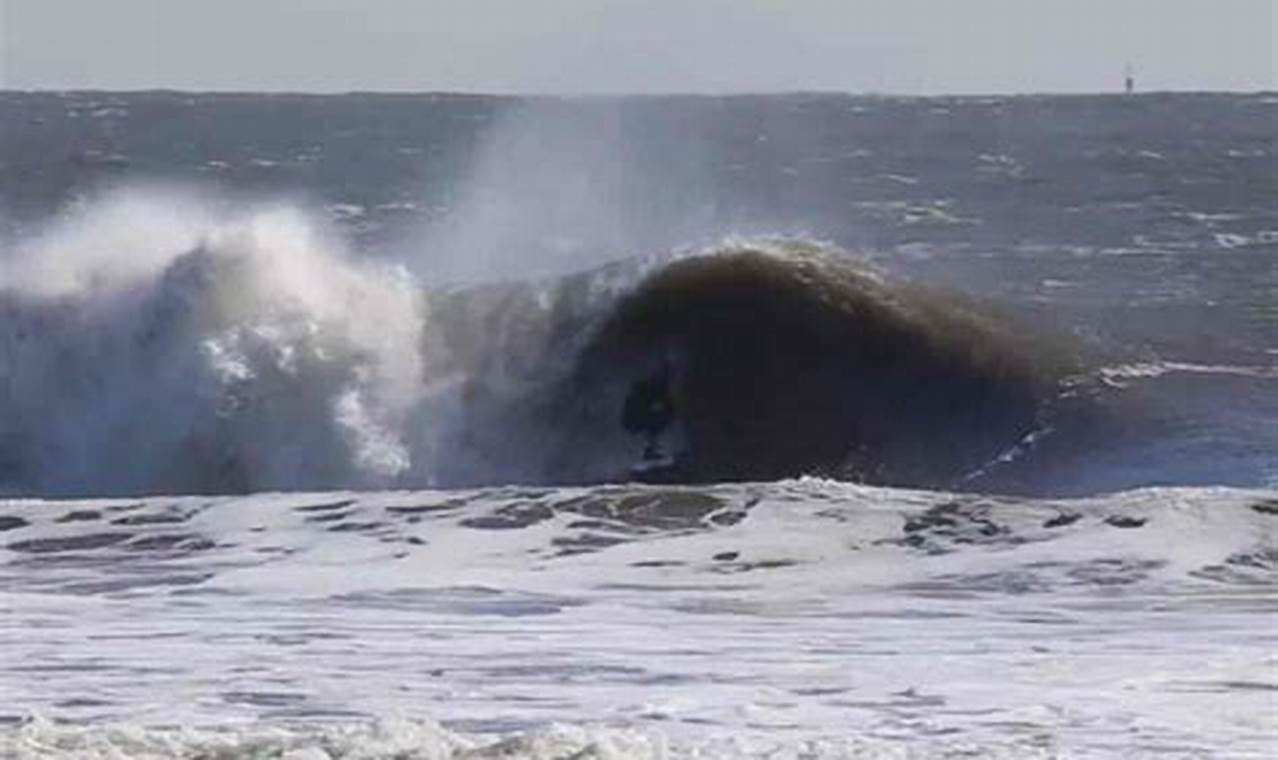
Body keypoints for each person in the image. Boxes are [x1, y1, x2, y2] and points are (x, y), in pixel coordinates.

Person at [622, 360, 675, 461]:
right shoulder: (651, 387)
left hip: (638, 416)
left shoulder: (658, 387)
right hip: (633, 418)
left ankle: (651, 449)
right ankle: (650, 450)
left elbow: (668, 406)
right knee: (657, 418)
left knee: (660, 416)